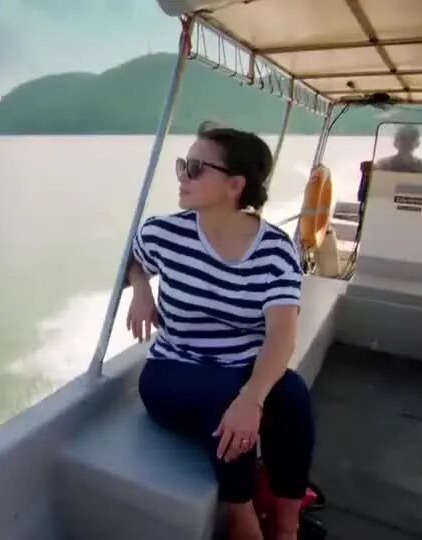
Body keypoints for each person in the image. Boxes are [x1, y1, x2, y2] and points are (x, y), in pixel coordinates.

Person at [125, 126, 314, 540]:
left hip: (241, 368)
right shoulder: (163, 233)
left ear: (235, 185)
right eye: (182, 165)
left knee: (294, 397)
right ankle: (243, 521)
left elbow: (282, 332)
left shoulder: (274, 250)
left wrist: (253, 397)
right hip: (172, 370)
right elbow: (134, 261)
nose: (182, 176)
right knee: (227, 400)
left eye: (195, 168)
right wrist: (141, 290)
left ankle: (287, 527)